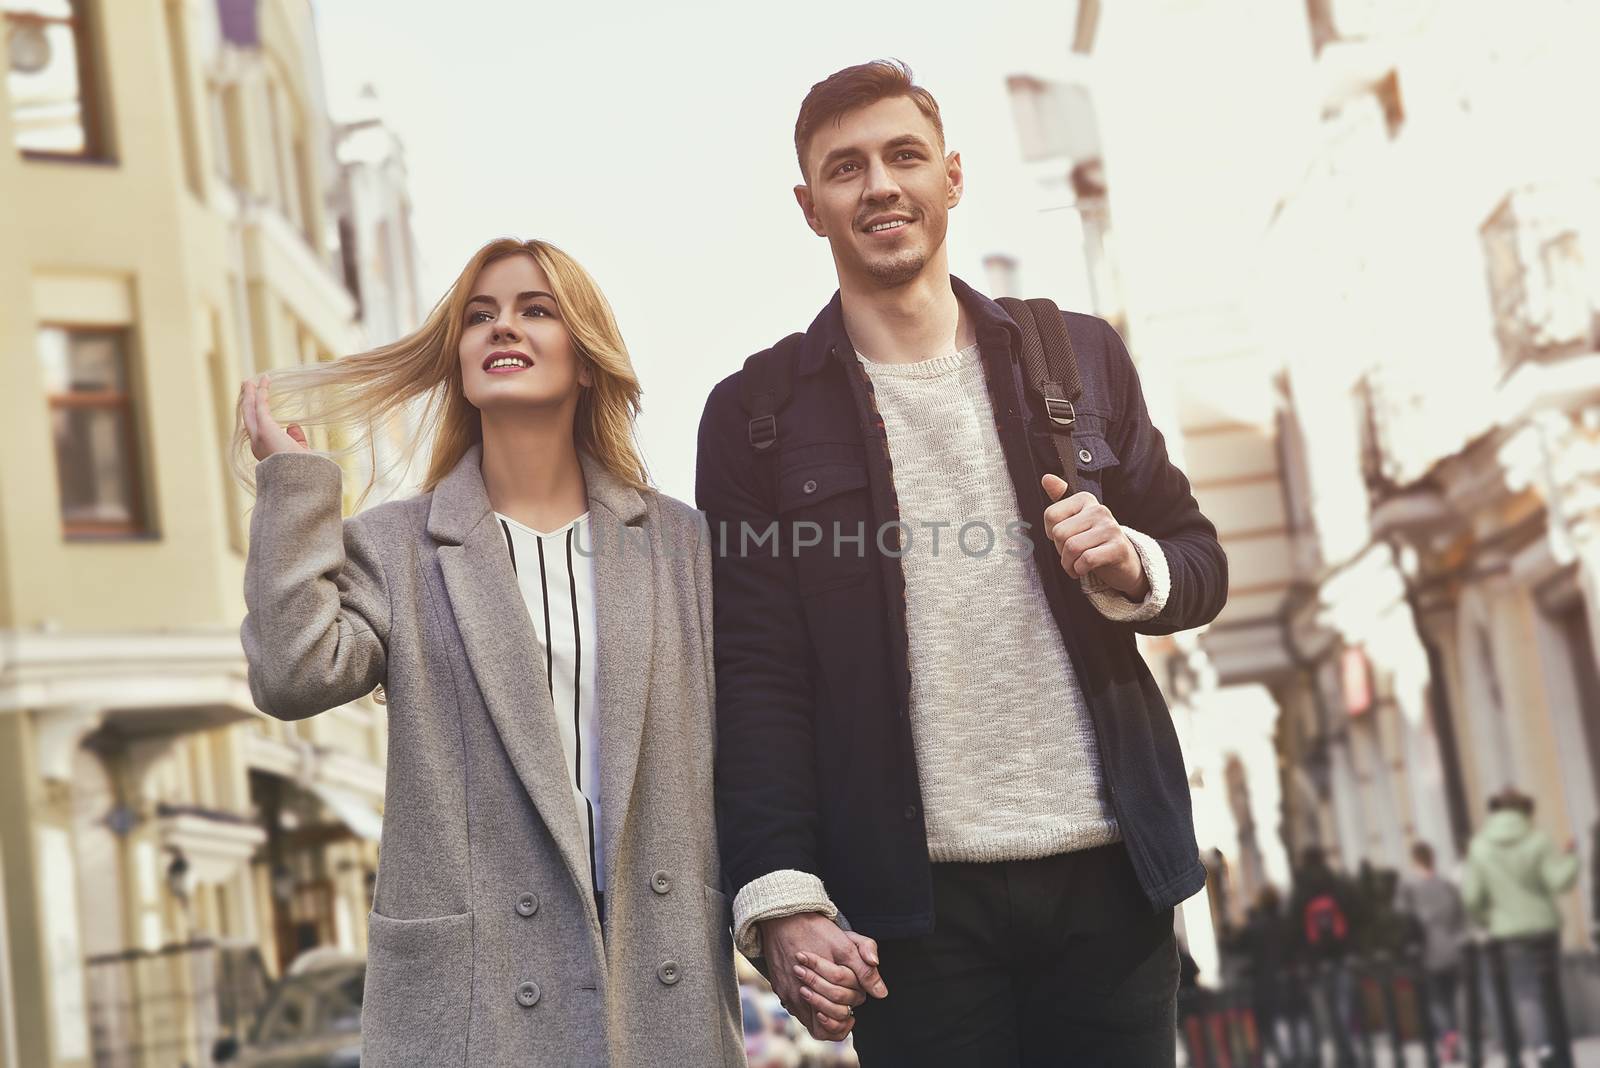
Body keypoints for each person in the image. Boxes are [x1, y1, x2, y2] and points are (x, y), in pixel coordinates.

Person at [696, 60, 1229, 1065]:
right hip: (910, 908)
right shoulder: (755, 415)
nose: (880, 185)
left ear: (951, 176)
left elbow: (1199, 561)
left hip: (1113, 879)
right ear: (810, 208)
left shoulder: (1074, 357)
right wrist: (779, 897)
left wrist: (1130, 566)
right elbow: (755, 678)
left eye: (903, 156)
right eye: (845, 169)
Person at [236, 238, 742, 1066]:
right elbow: (292, 675)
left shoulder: (678, 543)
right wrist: (294, 486)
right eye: (480, 316)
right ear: (460, 359)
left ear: (586, 360)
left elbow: (746, 750)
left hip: (661, 975)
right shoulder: (395, 548)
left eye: (535, 310)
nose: (502, 327)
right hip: (482, 996)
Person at [1462, 787, 1579, 1068]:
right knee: (1551, 990)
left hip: (1508, 931)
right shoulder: (1538, 840)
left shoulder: (1479, 846)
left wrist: (1487, 919)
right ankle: (1560, 1053)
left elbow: (1471, 897)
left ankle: (1542, 1050)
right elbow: (1558, 881)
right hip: (1543, 927)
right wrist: (1571, 857)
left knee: (1525, 994)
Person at [1289, 848, 1360, 1067]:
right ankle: (1348, 1052)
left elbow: (1294, 925)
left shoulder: (1301, 889)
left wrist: (1301, 957)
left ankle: (1337, 1051)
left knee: (1325, 1007)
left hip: (1316, 957)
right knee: (1343, 1003)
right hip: (1340, 953)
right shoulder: (1334, 882)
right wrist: (1350, 947)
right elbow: (1352, 913)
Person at [1398, 841, 1466, 1061]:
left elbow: (1401, 916)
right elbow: (1459, 912)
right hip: (1451, 946)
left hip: (1427, 950)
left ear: (1415, 860)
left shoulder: (1408, 886)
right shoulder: (1445, 883)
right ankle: (1455, 1034)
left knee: (1435, 999)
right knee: (1451, 995)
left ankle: (1448, 1037)